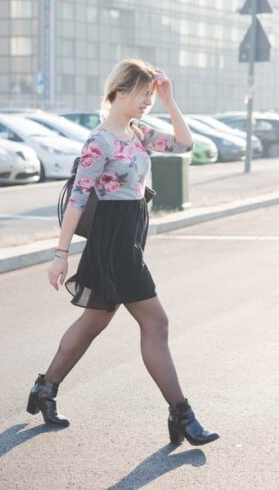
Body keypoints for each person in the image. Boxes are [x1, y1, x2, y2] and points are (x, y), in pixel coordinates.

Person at [27, 59, 219, 447]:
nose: (148, 100)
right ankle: (182, 415)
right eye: (144, 93)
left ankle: (45, 389)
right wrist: (61, 253)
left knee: (92, 324)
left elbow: (185, 144)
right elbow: (78, 199)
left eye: (151, 93)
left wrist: (169, 98)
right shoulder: (99, 142)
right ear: (121, 91)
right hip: (113, 245)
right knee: (157, 324)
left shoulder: (138, 133)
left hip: (129, 238)